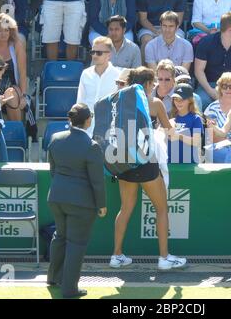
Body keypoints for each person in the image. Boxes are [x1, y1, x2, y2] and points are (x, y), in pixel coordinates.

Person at [109, 66, 187, 271]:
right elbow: (170, 132)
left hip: (124, 162)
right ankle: (164, 258)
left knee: (125, 209)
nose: (154, 87)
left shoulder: (117, 101)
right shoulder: (154, 103)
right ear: (146, 84)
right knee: (161, 209)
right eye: (152, 84)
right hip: (146, 162)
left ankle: (116, 256)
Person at [47, 103, 107, 298]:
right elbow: (97, 181)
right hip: (81, 204)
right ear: (88, 121)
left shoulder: (56, 139)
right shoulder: (92, 146)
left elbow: (53, 171)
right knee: (76, 244)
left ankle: (53, 278)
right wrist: (102, 205)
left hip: (56, 198)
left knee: (60, 237)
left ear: (69, 120)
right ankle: (69, 289)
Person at [194, 12, 231, 110]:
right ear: (230, 29)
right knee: (200, 101)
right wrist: (211, 91)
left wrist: (230, 91)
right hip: (208, 84)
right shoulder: (206, 42)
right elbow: (198, 71)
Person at [77, 36, 120, 135]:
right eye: (93, 52)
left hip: (109, 128)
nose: (95, 55)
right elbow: (80, 102)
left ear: (109, 55)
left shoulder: (118, 76)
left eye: (99, 53)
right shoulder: (85, 74)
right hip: (87, 129)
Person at [204, 72, 231, 163]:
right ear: (220, 88)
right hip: (218, 146)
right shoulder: (212, 108)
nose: (228, 89)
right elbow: (212, 137)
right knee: (229, 154)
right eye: (224, 86)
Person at [168, 83, 204, 164]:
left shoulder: (195, 119)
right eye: (176, 99)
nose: (178, 102)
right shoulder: (170, 116)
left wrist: (177, 136)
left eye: (182, 99)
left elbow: (196, 141)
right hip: (171, 163)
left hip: (189, 164)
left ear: (190, 100)